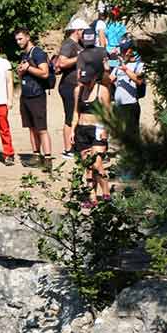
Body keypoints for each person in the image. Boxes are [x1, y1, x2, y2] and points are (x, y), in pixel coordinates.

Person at [74, 54, 111, 206]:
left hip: (97, 129)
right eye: (83, 81)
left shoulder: (102, 91)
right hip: (81, 130)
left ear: (94, 78)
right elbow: (75, 112)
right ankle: (92, 198)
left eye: (87, 81)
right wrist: (72, 131)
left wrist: (106, 130)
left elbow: (108, 113)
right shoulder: (78, 90)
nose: (85, 84)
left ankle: (107, 193)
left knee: (97, 164)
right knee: (88, 167)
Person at [14, 27, 52, 169]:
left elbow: (45, 73)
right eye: (17, 40)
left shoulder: (38, 53)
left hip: (37, 94)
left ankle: (47, 159)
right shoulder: (24, 55)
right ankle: (36, 155)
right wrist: (21, 72)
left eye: (20, 39)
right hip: (26, 94)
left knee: (41, 128)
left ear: (28, 37)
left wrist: (28, 68)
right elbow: (23, 74)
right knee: (31, 127)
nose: (18, 42)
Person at [56, 17, 88, 159]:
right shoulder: (69, 44)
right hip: (69, 86)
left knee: (78, 116)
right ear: (77, 31)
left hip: (77, 86)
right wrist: (79, 57)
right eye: (83, 31)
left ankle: (75, 146)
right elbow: (61, 63)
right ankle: (68, 149)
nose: (85, 34)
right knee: (70, 117)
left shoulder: (78, 44)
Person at [112, 36, 146, 143]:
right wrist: (104, 69)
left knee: (133, 135)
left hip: (131, 104)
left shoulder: (139, 64)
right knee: (120, 134)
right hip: (118, 105)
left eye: (124, 50)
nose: (122, 52)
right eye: (121, 49)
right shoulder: (119, 64)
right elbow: (109, 80)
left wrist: (125, 69)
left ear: (131, 50)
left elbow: (139, 81)